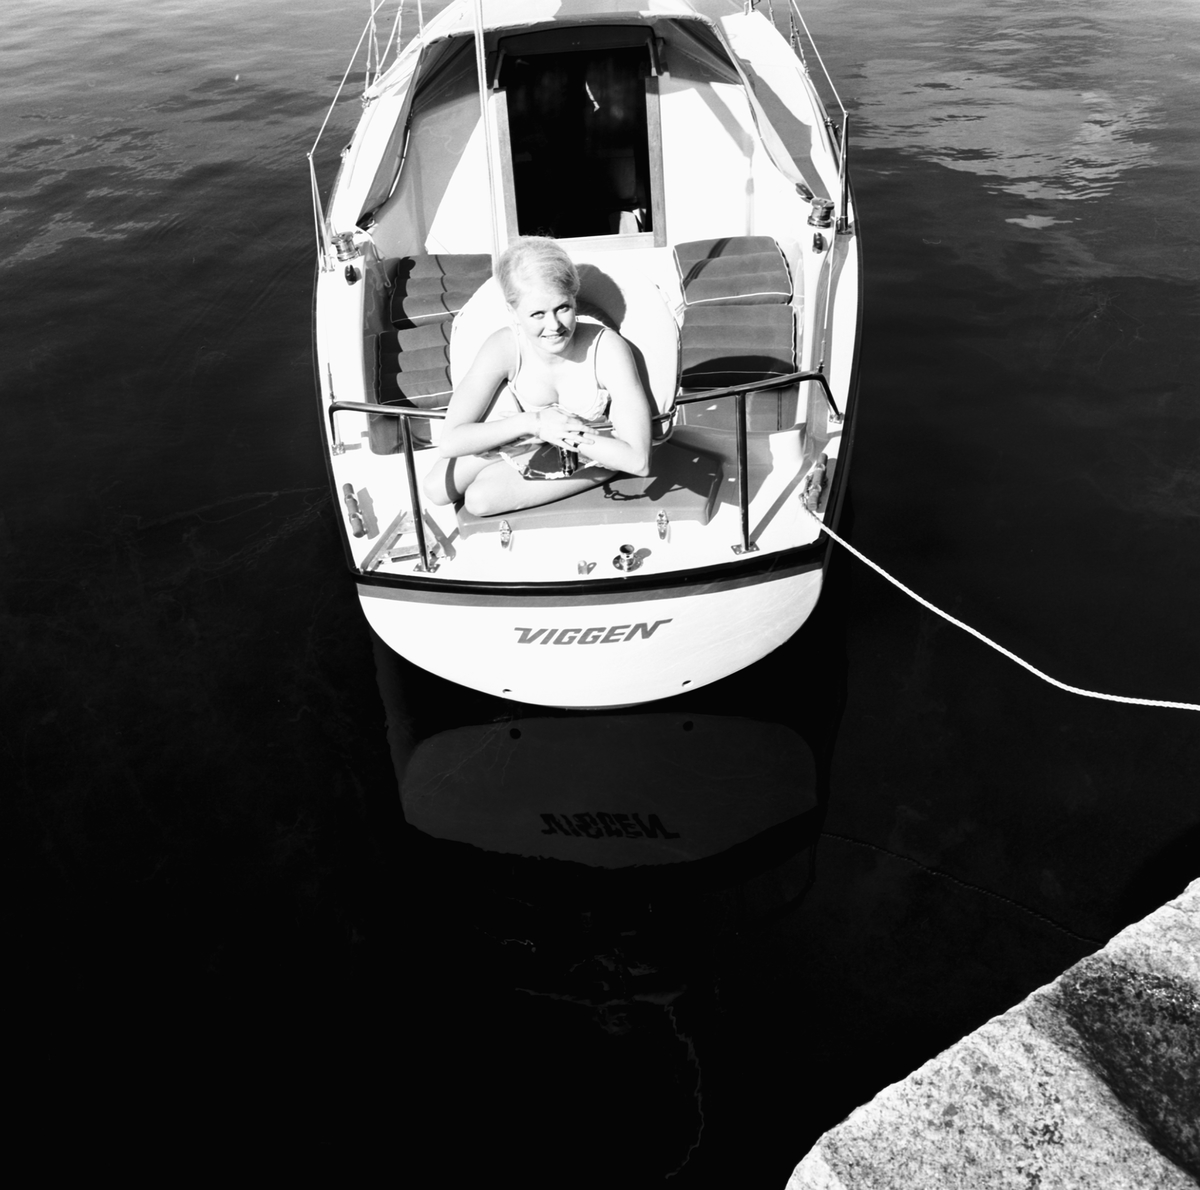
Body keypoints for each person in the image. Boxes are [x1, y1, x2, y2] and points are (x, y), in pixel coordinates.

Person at [422, 236, 652, 517]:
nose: (553, 326)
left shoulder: (607, 350)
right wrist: (534, 424)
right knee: (436, 487)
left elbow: (638, 461)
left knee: (479, 499)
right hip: (534, 439)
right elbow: (449, 441)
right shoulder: (504, 346)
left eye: (563, 308)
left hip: (596, 454)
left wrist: (561, 433)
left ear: (574, 298)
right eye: (537, 314)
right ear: (513, 312)